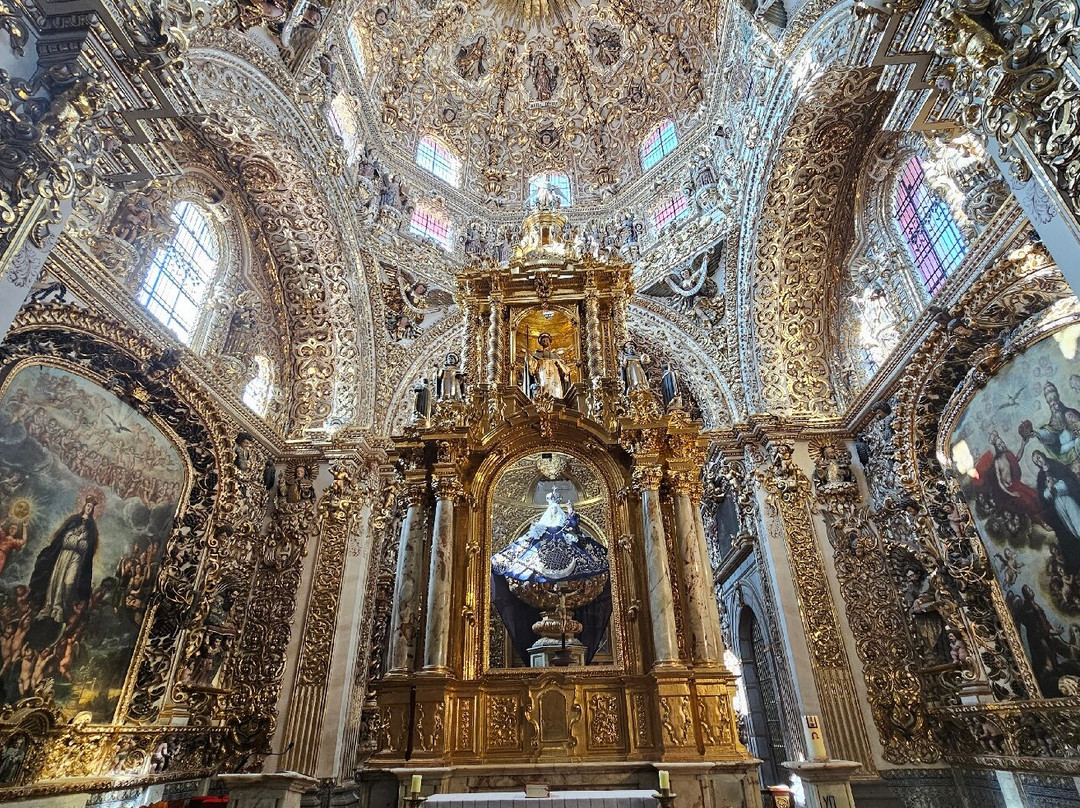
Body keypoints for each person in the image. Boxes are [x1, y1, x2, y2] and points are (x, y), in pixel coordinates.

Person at [26, 495, 100, 648]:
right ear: (84, 506)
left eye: (91, 507)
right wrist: (74, 537)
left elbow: (89, 548)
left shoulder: (92, 528)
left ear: (93, 510)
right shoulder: (74, 520)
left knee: (69, 582)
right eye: (87, 506)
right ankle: (49, 607)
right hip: (63, 554)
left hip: (77, 559)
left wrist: (82, 541)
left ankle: (61, 608)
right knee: (55, 579)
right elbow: (63, 538)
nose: (88, 508)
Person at [1033, 451, 1080, 574]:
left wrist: (1055, 486)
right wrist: (1048, 490)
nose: (1039, 461)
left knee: (1077, 522)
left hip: (1067, 498)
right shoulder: (1041, 477)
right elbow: (1043, 497)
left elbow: (1069, 480)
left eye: (1039, 458)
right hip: (1057, 505)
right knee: (1070, 528)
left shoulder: (1055, 465)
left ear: (1042, 455)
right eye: (1036, 461)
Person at [525, 333, 572, 400]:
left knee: (555, 390)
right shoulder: (537, 355)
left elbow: (564, 370)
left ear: (549, 341)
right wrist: (528, 357)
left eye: (546, 340)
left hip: (554, 376)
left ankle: (557, 398)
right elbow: (533, 368)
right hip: (543, 374)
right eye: (543, 341)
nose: (545, 342)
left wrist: (558, 363)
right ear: (541, 343)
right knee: (543, 388)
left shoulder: (555, 355)